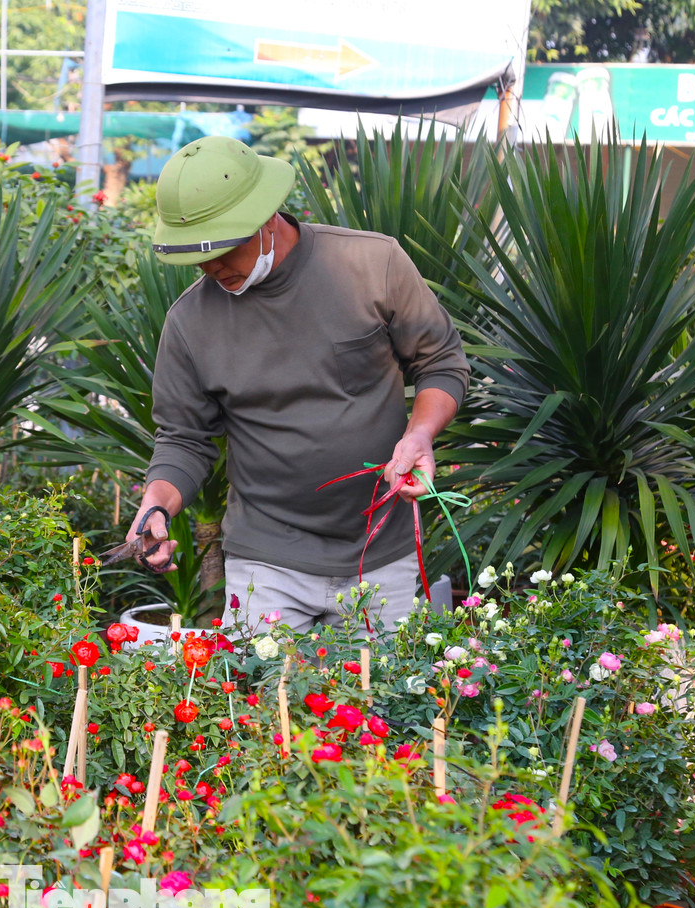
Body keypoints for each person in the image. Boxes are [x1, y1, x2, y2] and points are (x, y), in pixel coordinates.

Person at [125, 135, 469, 635]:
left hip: (380, 556)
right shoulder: (189, 325)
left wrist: (420, 435)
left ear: (265, 216)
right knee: (262, 711)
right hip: (265, 563)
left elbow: (440, 361)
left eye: (223, 249)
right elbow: (183, 439)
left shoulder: (372, 266)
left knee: (383, 707)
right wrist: (155, 505)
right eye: (198, 258)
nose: (211, 268)